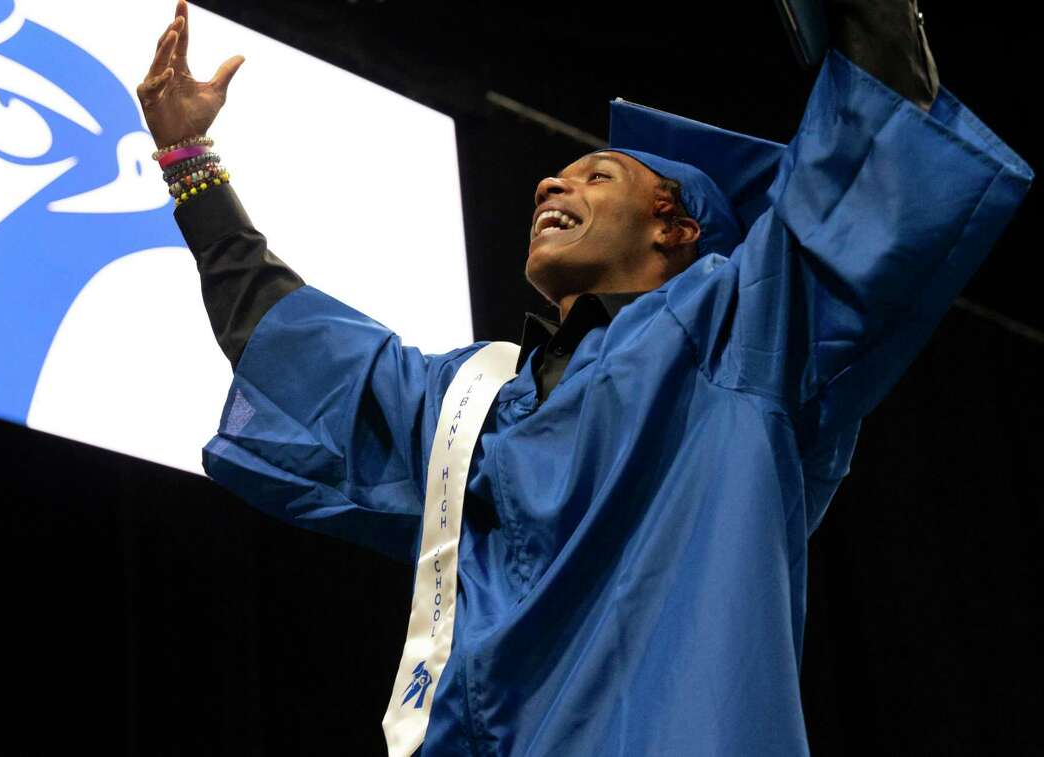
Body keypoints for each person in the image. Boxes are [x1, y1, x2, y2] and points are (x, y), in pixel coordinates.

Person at [137, 1, 1032, 754]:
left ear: (675, 226)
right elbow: (302, 349)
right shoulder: (474, 405)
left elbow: (867, 146)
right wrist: (188, 163)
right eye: (555, 175)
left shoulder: (738, 330)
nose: (548, 186)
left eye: (596, 174)